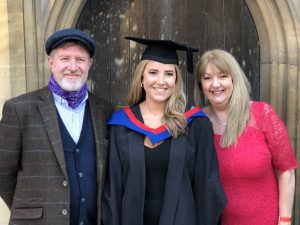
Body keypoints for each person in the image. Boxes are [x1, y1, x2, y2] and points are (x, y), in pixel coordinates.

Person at [101, 37, 226, 225]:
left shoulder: (195, 124)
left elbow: (207, 188)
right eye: (153, 72)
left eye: (169, 74)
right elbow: (112, 192)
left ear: (176, 80)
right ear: (141, 78)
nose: (161, 81)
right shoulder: (121, 125)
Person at [0, 28, 113, 225]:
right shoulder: (19, 109)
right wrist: (28, 209)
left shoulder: (104, 111)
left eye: (80, 59)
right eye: (64, 59)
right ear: (51, 62)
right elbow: (2, 172)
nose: (73, 66)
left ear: (90, 64)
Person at [195, 49, 298, 225]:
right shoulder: (196, 122)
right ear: (201, 85)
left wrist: (285, 220)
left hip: (265, 220)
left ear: (234, 79)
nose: (215, 84)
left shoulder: (261, 114)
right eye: (207, 78)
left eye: (223, 76)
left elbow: (286, 170)